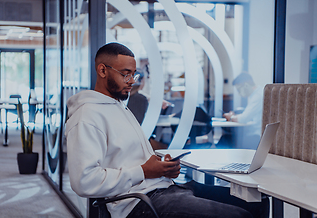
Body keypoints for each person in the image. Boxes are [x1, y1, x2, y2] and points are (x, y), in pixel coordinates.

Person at [65, 43, 269, 218]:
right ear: (102, 70)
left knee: (256, 202)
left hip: (163, 188)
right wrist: (144, 171)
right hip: (138, 203)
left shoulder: (118, 107)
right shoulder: (87, 116)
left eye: (133, 75)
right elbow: (84, 181)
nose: (131, 81)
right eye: (125, 74)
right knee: (239, 216)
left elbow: (130, 159)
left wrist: (162, 167)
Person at [220, 72, 264, 149]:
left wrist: (230, 117)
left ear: (246, 86)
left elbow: (244, 118)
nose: (239, 93)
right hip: (256, 134)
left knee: (225, 139)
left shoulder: (258, 96)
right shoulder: (257, 94)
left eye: (239, 90)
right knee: (226, 138)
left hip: (256, 136)